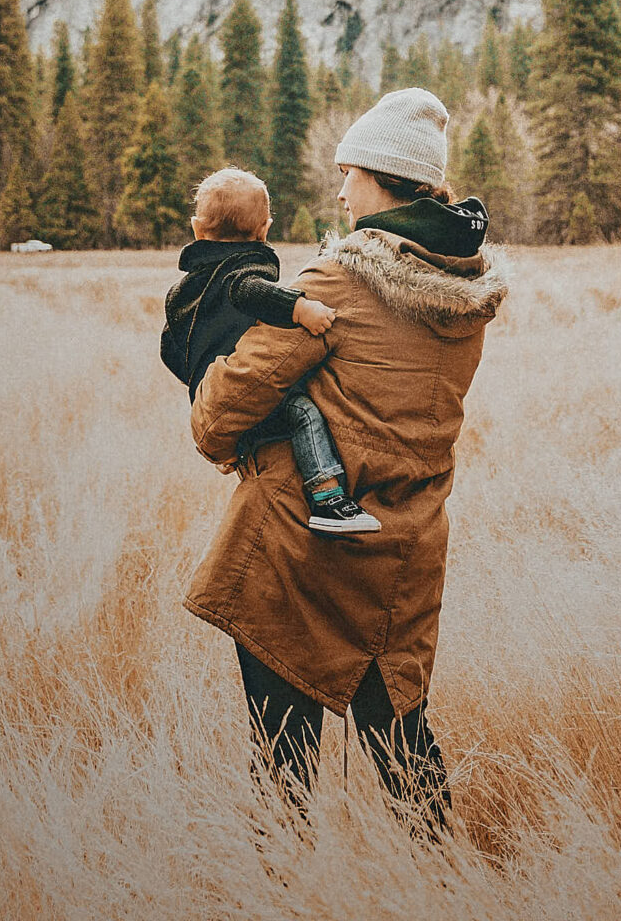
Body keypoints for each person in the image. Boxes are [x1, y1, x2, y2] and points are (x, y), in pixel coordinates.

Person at [183, 86, 506, 835]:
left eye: (349, 173)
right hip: (405, 550)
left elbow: (220, 413)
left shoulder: (336, 282)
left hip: (301, 553)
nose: (339, 190)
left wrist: (217, 404)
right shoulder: (464, 289)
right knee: (402, 746)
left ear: (383, 179)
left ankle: (284, 891)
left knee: (282, 765)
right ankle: (443, 887)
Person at [161, 167, 377, 534]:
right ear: (265, 229)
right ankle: (328, 498)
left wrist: (200, 375)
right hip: (245, 393)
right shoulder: (239, 272)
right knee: (303, 413)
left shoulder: (186, 290)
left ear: (197, 229)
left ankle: (243, 445)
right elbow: (248, 291)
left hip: (210, 394)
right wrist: (300, 309)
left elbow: (169, 348)